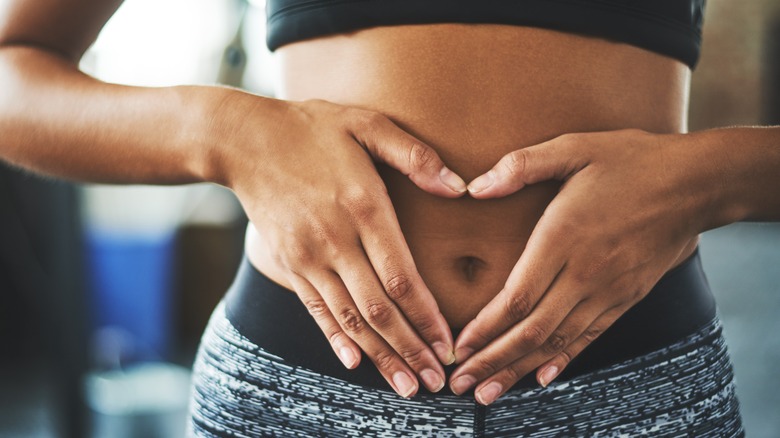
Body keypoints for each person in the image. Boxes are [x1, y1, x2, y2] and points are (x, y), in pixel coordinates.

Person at [2, 0, 777, 435]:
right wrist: (225, 134)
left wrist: (716, 177)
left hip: (631, 386)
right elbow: (15, 72)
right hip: (300, 386)